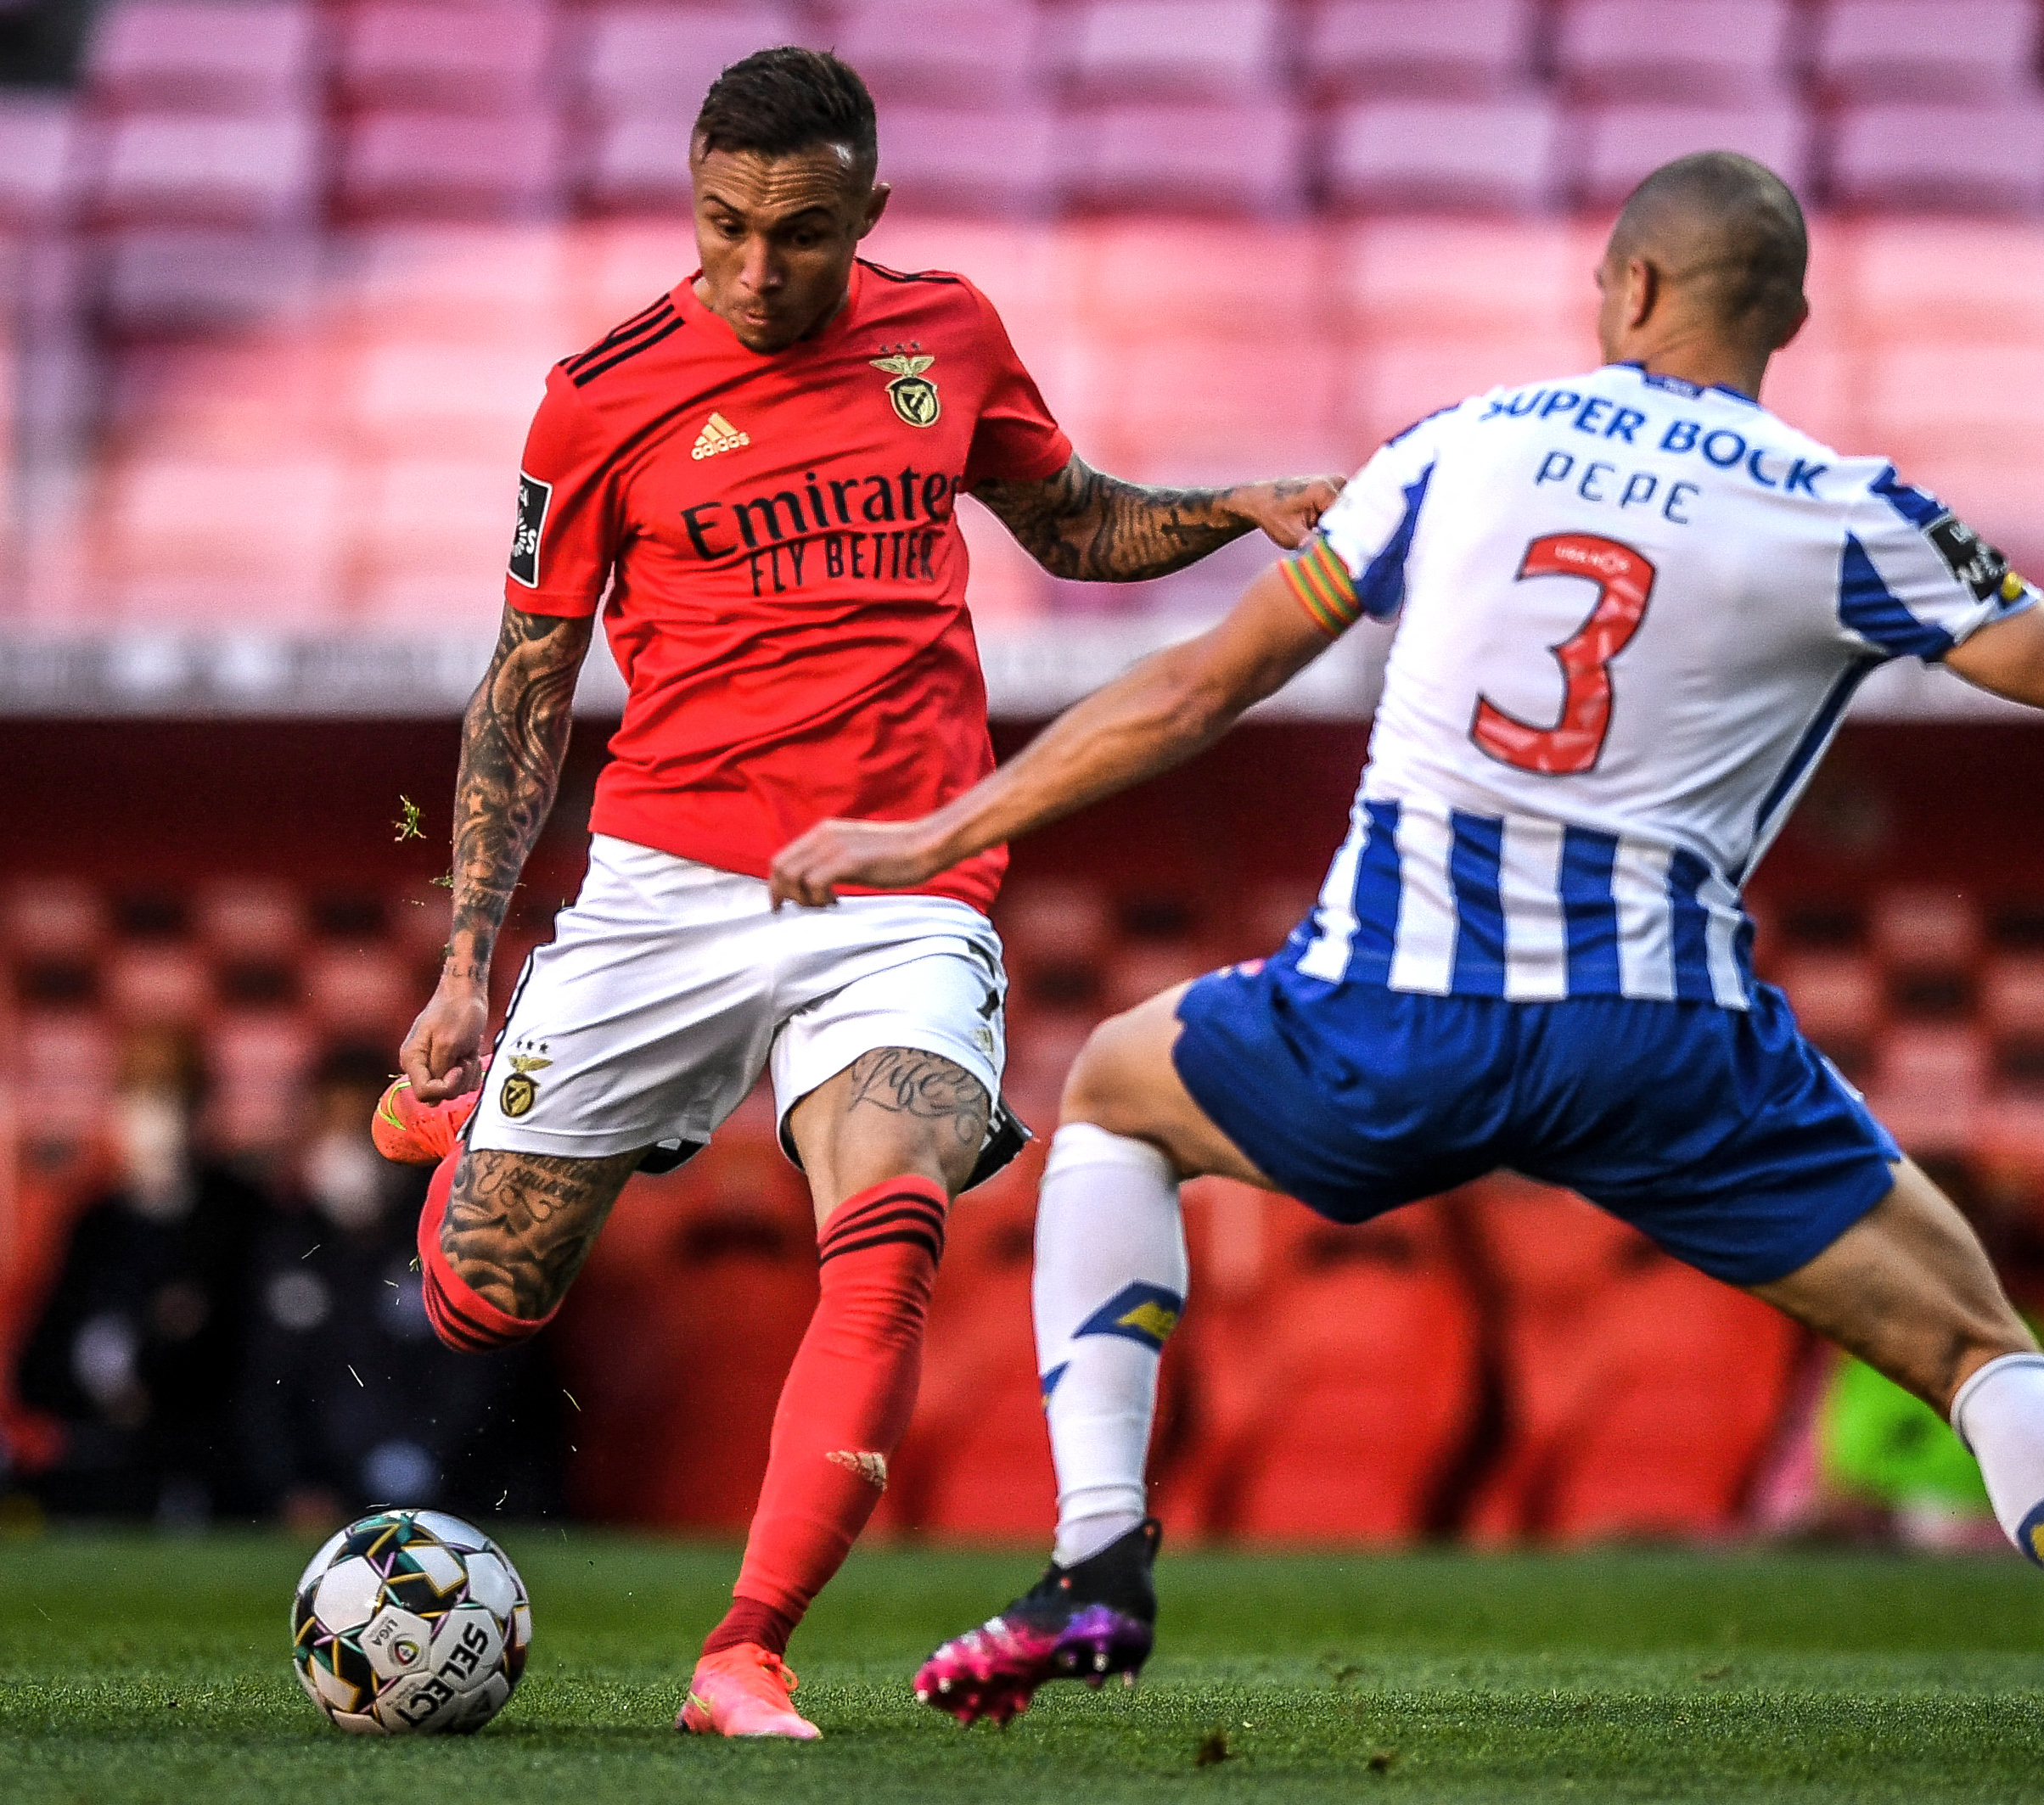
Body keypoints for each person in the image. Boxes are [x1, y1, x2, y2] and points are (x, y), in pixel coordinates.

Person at [774, 150, 2044, 1794]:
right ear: (1787, 315)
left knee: (1111, 1086)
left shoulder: (1466, 440)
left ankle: (1098, 1554)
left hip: (1387, 1015)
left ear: (1635, 287)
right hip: (1667, 1044)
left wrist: (930, 835)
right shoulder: (1849, 508)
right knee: (1975, 1345)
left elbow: (1195, 685)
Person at [379, 46, 1339, 1739]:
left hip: (902, 875)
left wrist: (1235, 509)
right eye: (727, 228)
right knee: (479, 1295)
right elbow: (522, 685)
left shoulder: (948, 336)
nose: (759, 270)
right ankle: (485, 1135)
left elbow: (1075, 520)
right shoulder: (597, 395)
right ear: (693, 202)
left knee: (886, 1215)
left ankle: (743, 1649)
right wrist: (467, 965)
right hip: (667, 882)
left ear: (866, 215)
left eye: (802, 234)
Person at [244, 1048, 564, 1534]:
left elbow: (484, 1379)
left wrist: (436, 1472)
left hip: (456, 1499)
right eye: (334, 1129)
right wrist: (289, 1488)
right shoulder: (283, 1244)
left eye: (360, 1130)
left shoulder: (453, 1227)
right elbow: (264, 1385)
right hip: (320, 1505)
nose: (347, 1149)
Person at [14, 1027, 265, 1524]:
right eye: (143, 1103)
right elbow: (37, 1368)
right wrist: (103, 1374)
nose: (161, 1125)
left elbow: (264, 1365)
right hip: (109, 1465)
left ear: (202, 1112)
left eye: (176, 1103)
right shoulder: (96, 1225)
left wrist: (165, 1358)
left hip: (215, 1468)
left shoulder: (242, 1217)